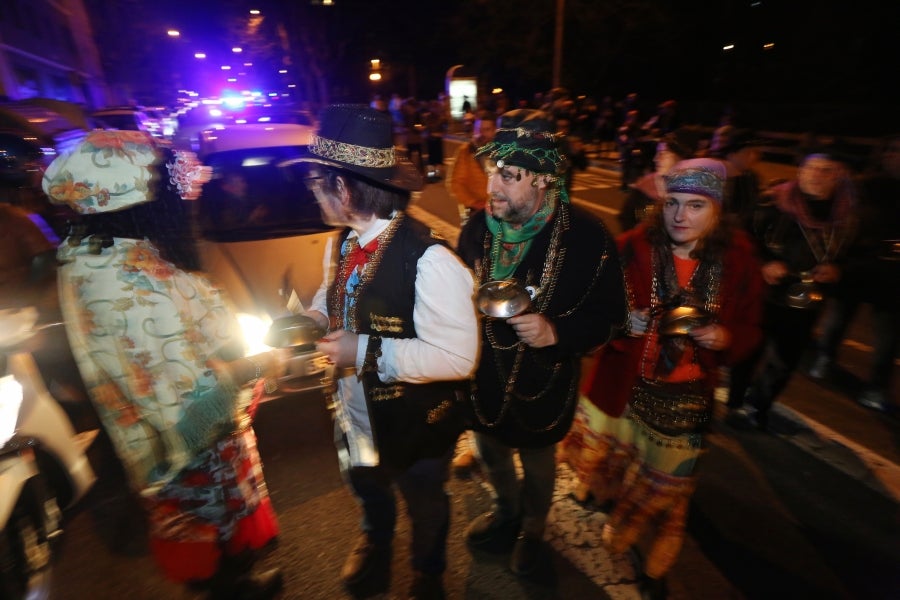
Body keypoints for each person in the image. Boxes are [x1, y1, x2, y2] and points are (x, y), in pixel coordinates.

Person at [42, 129, 286, 599]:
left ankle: (232, 582)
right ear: (136, 197)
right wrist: (259, 365)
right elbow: (189, 395)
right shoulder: (134, 281)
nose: (183, 204)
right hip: (187, 443)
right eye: (171, 192)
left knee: (209, 530)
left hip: (153, 437)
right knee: (212, 530)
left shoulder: (93, 255)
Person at [559, 159, 765, 599]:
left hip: (687, 394)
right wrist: (621, 322)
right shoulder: (631, 247)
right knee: (612, 463)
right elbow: (590, 308)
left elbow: (752, 325)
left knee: (670, 481)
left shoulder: (739, 259)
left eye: (695, 205)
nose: (679, 216)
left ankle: (654, 543)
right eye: (672, 203)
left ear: (717, 211)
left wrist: (726, 337)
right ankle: (605, 496)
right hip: (623, 386)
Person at [297, 104, 479, 599]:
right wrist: (316, 315)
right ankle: (376, 539)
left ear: (343, 188)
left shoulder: (431, 260)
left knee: (424, 498)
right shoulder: (341, 242)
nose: (311, 190)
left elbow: (459, 358)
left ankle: (428, 572)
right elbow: (334, 291)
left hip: (415, 419)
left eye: (316, 181)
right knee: (365, 480)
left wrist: (363, 350)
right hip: (354, 411)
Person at [456, 109, 627, 577]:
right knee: (489, 448)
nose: (492, 187)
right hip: (482, 374)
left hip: (543, 379)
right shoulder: (476, 230)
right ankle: (506, 510)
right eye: (491, 172)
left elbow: (612, 318)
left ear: (544, 179)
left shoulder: (587, 237)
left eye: (508, 176)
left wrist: (557, 332)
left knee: (537, 458)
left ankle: (532, 530)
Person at [732, 145, 859, 430]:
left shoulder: (848, 215)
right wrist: (764, 263)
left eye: (826, 171)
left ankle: (759, 407)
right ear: (800, 172)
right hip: (763, 291)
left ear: (838, 175)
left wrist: (839, 270)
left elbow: (859, 257)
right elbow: (741, 239)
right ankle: (735, 400)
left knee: (786, 358)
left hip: (808, 299)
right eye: (811, 168)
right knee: (749, 349)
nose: (816, 176)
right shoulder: (772, 202)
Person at [808, 134, 900, 412]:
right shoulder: (866, 185)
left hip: (893, 271)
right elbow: (844, 218)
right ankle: (824, 357)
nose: (893, 155)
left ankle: (876, 387)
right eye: (891, 149)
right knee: (840, 314)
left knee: (888, 332)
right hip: (857, 263)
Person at [617, 127, 699, 231]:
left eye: (662, 154)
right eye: (657, 153)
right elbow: (631, 217)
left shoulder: (699, 191)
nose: (655, 159)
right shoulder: (647, 187)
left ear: (681, 158)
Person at [447, 110, 497, 224]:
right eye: (478, 130)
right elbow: (455, 183)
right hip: (476, 213)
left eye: (487, 130)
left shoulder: (503, 151)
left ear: (495, 130)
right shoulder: (465, 152)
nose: (482, 134)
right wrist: (474, 203)